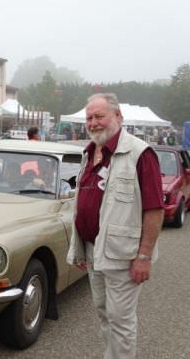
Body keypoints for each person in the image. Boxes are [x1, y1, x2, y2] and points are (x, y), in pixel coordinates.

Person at [67, 93, 164, 359]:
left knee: (120, 320)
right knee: (104, 313)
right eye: (89, 118)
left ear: (118, 116)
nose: (93, 123)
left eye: (99, 116)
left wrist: (143, 257)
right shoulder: (89, 153)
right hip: (92, 251)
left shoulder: (140, 154)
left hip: (124, 255)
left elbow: (154, 210)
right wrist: (79, 248)